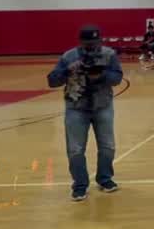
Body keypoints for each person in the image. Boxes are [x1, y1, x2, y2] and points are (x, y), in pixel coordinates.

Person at [48, 25, 124, 200]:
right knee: (75, 149)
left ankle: (105, 179)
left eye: (95, 42)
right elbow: (52, 81)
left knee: (107, 146)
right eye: (88, 43)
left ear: (100, 40)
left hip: (102, 105)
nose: (91, 46)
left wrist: (101, 75)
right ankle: (80, 185)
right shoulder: (69, 57)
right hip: (76, 108)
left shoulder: (109, 55)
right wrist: (68, 70)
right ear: (81, 41)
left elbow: (117, 78)